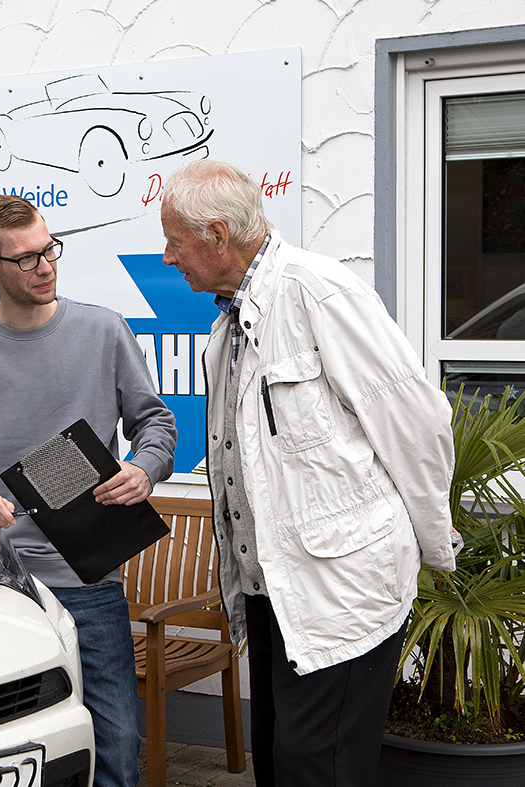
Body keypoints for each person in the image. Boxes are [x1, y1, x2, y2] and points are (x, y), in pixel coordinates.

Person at [158, 159, 457, 786]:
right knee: (277, 761)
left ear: (216, 235)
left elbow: (417, 422)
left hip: (343, 589)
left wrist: (432, 546)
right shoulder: (230, 322)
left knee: (315, 770)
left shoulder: (317, 290)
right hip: (276, 590)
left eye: (174, 241)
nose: (167, 257)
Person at [0, 194, 177, 787]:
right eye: (25, 259)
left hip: (88, 581)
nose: (45, 265)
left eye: (49, 249)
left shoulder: (103, 330)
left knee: (119, 745)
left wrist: (145, 467)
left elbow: (156, 422)